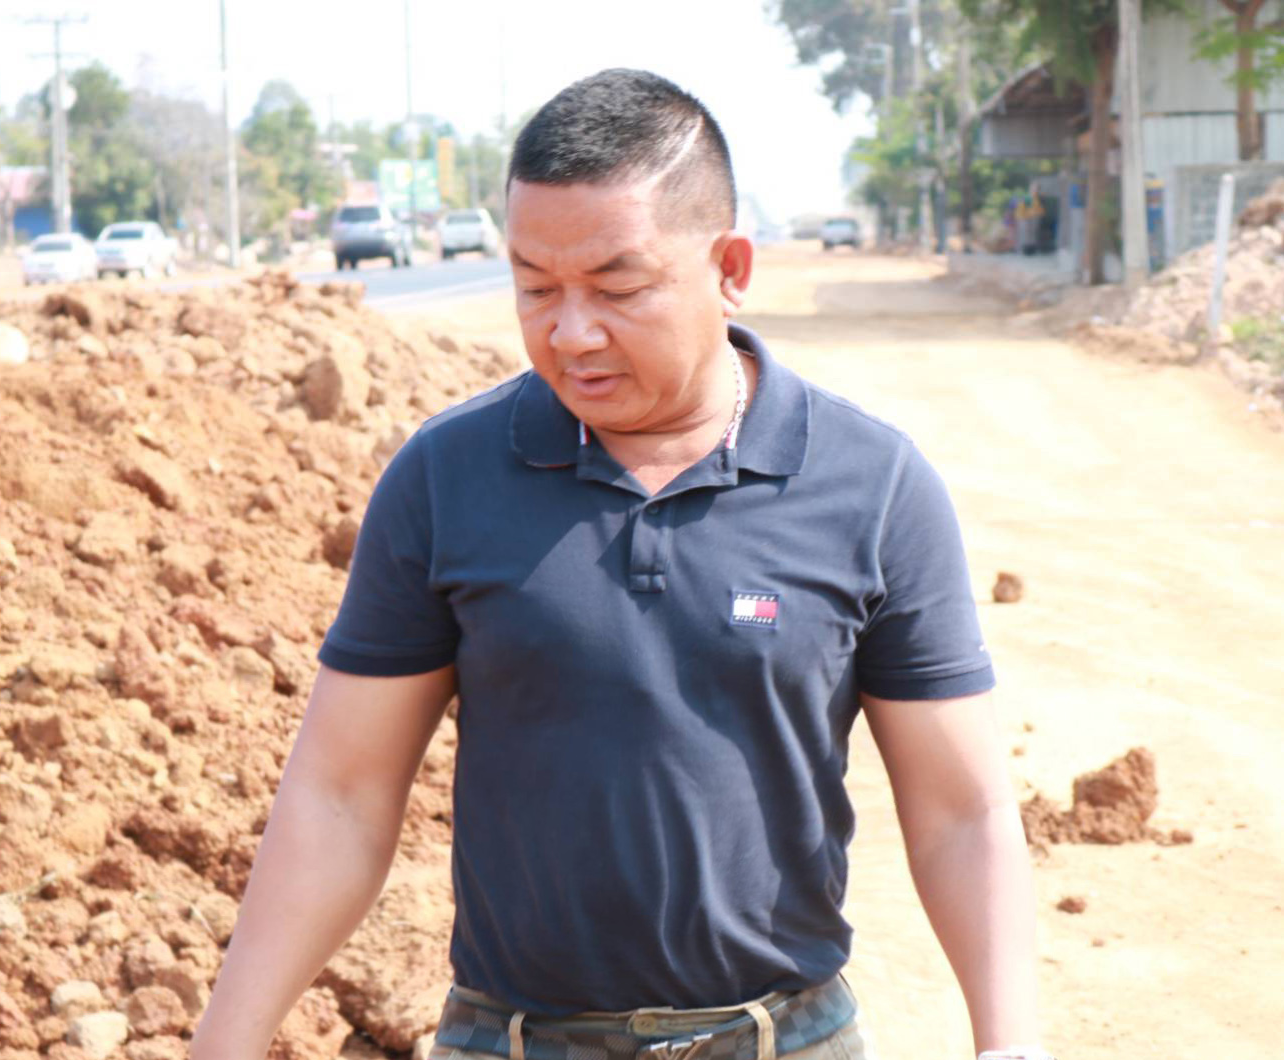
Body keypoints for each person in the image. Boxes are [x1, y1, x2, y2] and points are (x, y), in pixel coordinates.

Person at [191, 69, 1050, 1060]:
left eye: (617, 287)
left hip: (783, 1039)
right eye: (534, 287)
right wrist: (222, 1046)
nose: (570, 332)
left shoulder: (870, 485)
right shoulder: (445, 477)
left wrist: (1008, 1043)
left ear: (729, 267)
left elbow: (959, 812)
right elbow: (341, 796)